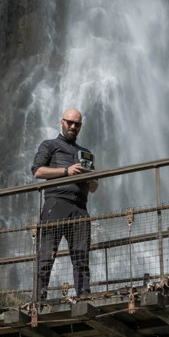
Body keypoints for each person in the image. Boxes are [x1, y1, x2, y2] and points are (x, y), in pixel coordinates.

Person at [31, 109, 98, 301]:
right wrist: (66, 171)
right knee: (46, 254)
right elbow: (37, 171)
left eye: (77, 124)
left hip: (80, 208)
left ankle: (84, 296)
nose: (73, 126)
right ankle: (39, 299)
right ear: (62, 122)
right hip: (56, 204)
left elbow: (94, 188)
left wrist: (91, 176)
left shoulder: (86, 153)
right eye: (70, 122)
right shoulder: (49, 145)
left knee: (81, 256)